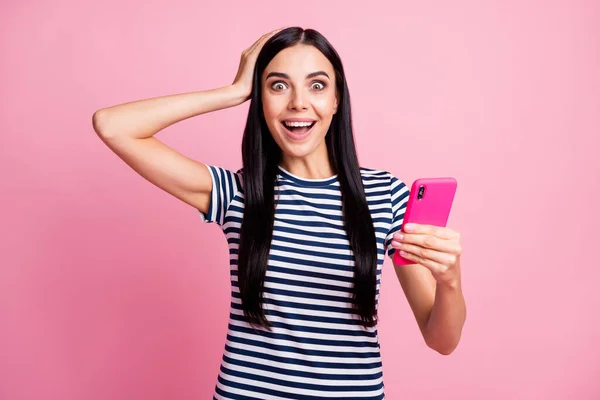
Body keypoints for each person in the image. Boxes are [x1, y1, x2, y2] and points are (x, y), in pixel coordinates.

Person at [92, 26, 466, 400]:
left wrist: (449, 279)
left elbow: (442, 340)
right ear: (261, 101)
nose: (298, 103)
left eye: (317, 85)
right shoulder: (238, 193)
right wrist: (233, 92)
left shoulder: (386, 196)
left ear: (337, 99)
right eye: (278, 85)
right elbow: (113, 126)